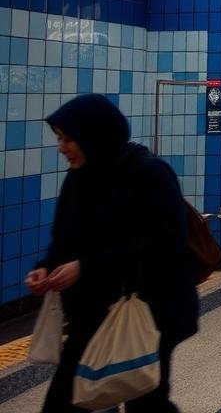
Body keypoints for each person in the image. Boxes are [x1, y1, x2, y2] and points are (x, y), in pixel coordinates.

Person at [29, 93, 199, 413]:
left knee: (145, 399)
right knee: (66, 401)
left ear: (94, 137)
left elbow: (168, 242)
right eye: (60, 139)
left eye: (68, 140)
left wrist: (86, 266)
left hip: (148, 310)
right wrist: (46, 266)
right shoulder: (78, 178)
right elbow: (64, 238)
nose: (61, 148)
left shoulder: (150, 173)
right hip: (93, 311)